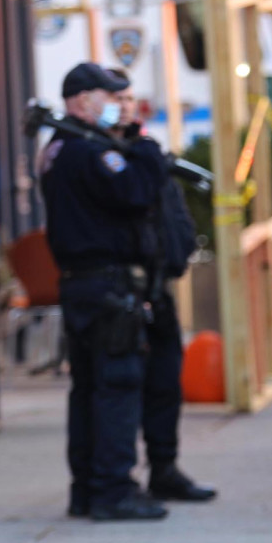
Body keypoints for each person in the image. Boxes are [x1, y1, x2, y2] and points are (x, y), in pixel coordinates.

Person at [39, 62, 168, 522]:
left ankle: (88, 488)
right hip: (106, 285)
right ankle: (112, 489)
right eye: (107, 96)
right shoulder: (87, 151)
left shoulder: (60, 148)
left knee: (90, 388)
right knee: (116, 386)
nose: (117, 105)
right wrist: (147, 148)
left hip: (83, 285)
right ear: (80, 100)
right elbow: (136, 190)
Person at [108, 68, 216, 504]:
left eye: (130, 98)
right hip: (125, 291)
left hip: (159, 286)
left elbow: (170, 211)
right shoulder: (106, 154)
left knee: (165, 385)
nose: (126, 106)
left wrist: (181, 247)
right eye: (118, 98)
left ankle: (165, 468)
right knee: (125, 389)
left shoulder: (146, 151)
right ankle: (119, 478)